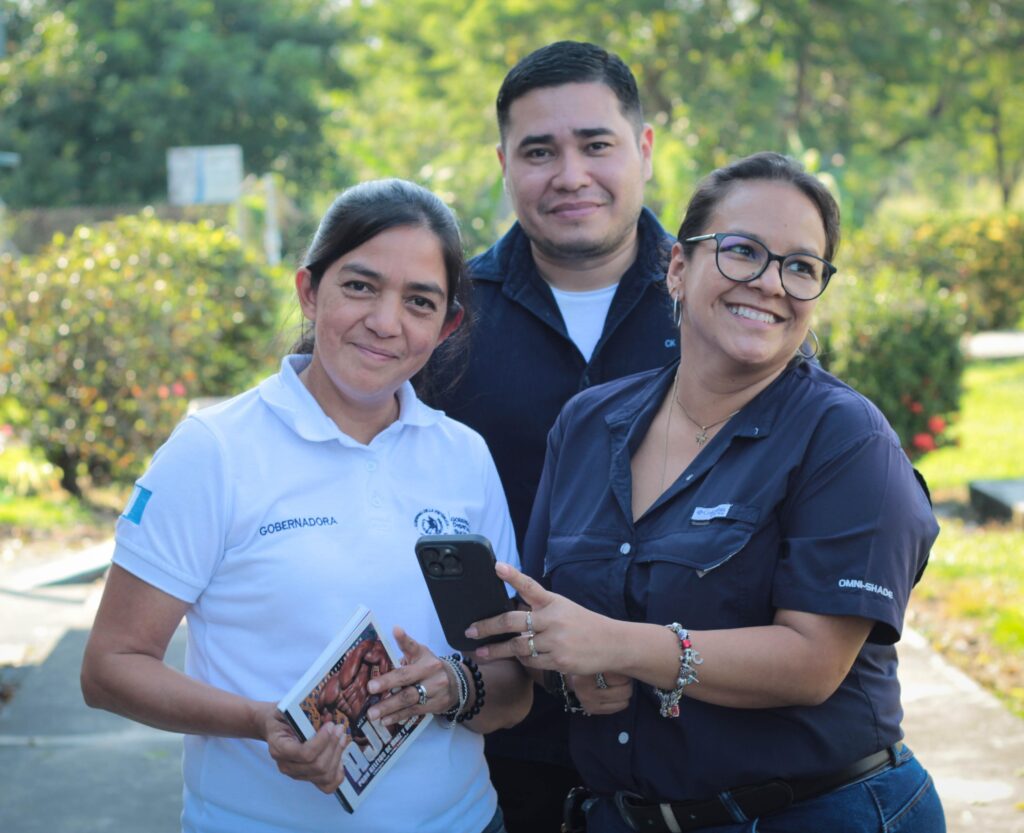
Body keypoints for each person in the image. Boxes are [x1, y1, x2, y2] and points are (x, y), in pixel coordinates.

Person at [471, 152, 946, 832]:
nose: (771, 282)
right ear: (677, 268)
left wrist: (622, 647)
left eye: (801, 266)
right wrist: (566, 671)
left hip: (815, 814)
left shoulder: (844, 436)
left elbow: (814, 662)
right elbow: (555, 619)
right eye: (743, 251)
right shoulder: (587, 422)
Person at [80, 179, 532, 833]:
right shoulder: (215, 450)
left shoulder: (464, 456)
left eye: (420, 300)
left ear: (446, 324)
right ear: (309, 291)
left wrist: (454, 686)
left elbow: (514, 688)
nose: (385, 320)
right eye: (359, 285)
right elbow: (110, 667)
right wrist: (261, 720)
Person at [428, 40, 680, 830]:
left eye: (595, 144)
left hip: (700, 742)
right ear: (504, 162)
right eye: (539, 151)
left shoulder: (722, 301)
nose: (570, 174)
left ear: (643, 149)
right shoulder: (442, 318)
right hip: (504, 745)